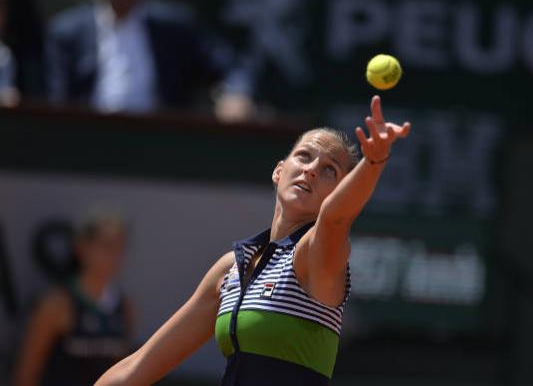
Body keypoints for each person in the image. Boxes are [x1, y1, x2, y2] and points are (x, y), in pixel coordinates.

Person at [95, 95, 411, 385]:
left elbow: (335, 217)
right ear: (279, 171)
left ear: (339, 190)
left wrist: (373, 162)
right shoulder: (230, 270)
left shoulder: (315, 255)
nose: (311, 170)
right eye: (304, 156)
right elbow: (139, 366)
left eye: (330, 170)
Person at [45, 0, 255, 121]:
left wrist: (235, 93)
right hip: (90, 144)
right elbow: (58, 103)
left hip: (160, 145)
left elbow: (230, 66)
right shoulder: (67, 33)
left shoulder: (175, 27)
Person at [14, 211, 134, 386]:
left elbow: (122, 371)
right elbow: (27, 372)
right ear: (81, 247)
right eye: (106, 246)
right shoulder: (56, 304)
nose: (114, 256)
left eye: (119, 247)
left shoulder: (125, 307)